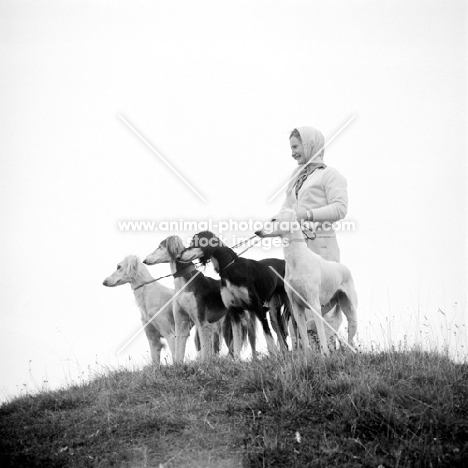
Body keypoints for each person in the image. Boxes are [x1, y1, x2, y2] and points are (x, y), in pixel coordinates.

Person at [281, 126, 348, 262]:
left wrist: (307, 215)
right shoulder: (297, 176)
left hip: (322, 251)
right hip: (297, 249)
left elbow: (340, 208)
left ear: (309, 145)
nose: (292, 153)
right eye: (291, 148)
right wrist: (272, 226)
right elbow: (286, 209)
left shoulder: (330, 174)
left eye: (295, 147)